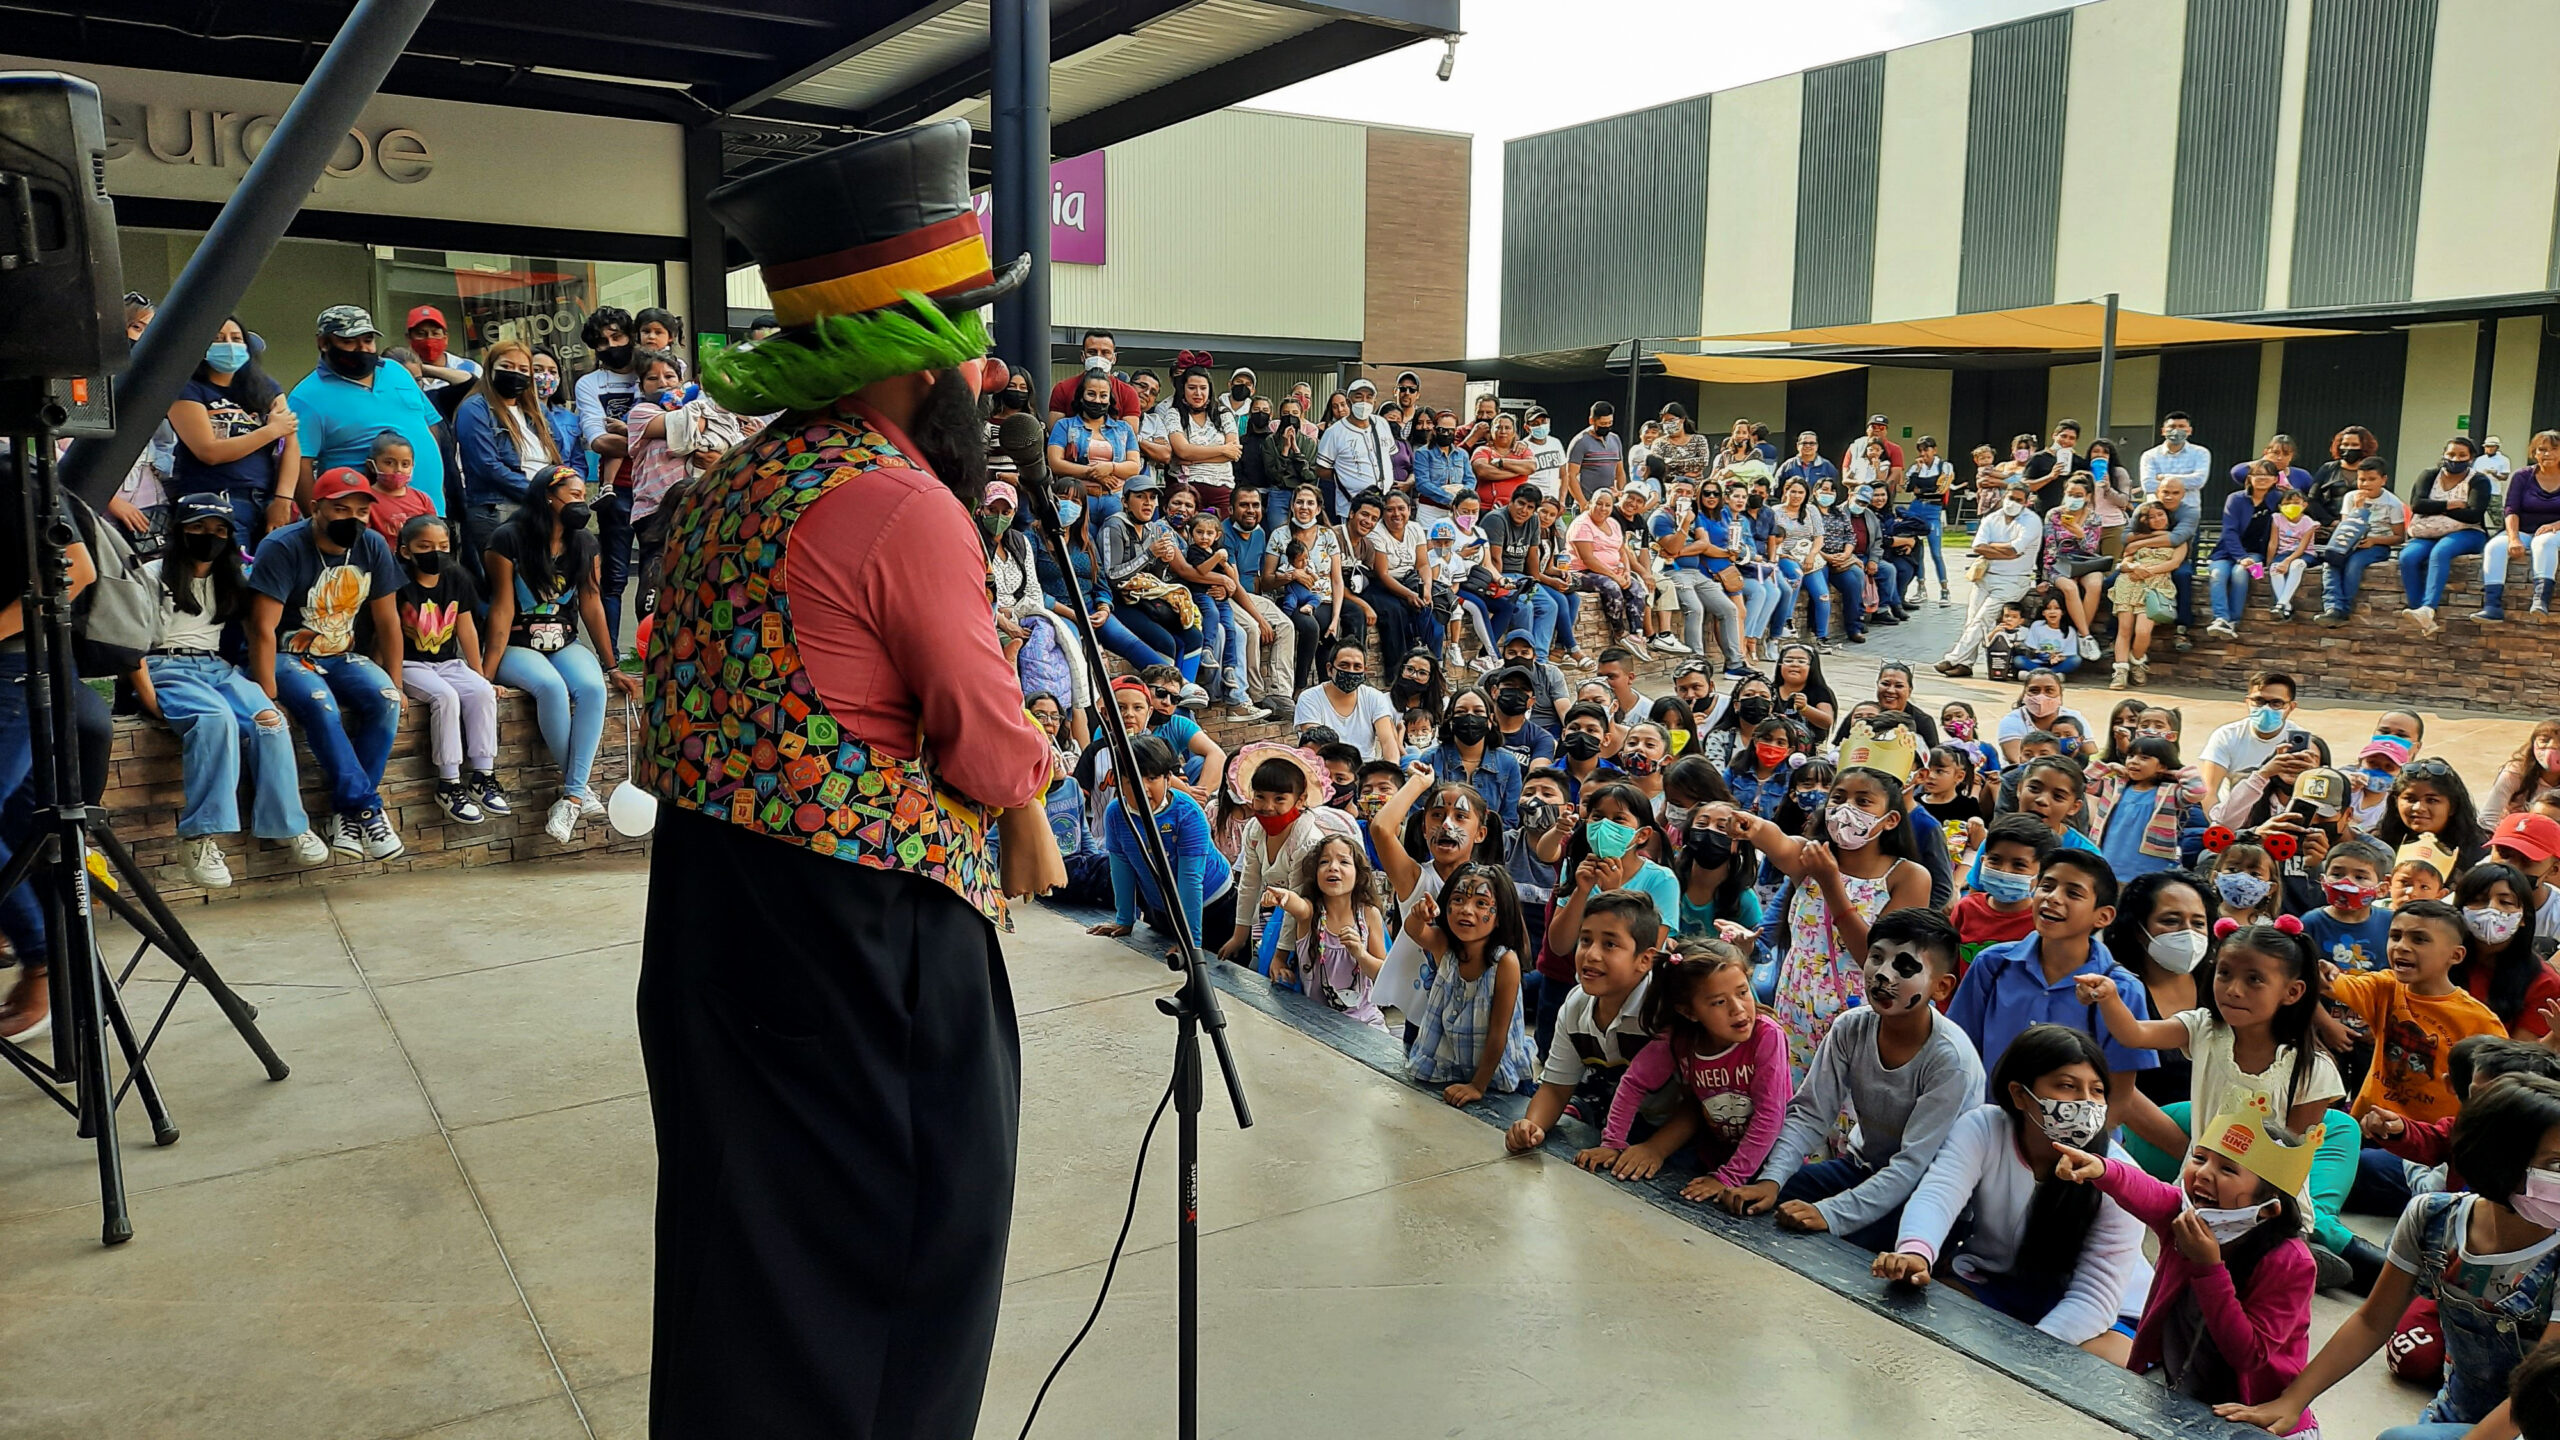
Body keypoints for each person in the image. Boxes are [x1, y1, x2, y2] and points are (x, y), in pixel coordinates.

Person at [633, 121, 1054, 1438]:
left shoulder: (729, 485)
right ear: (921, 353)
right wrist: (1030, 800)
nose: (989, 367)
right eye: (973, 335)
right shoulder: (902, 504)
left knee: (749, 1264)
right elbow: (983, 745)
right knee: (908, 1254)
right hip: (862, 941)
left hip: (707, 915)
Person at [2219, 1073, 2560, 1438]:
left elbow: (2539, 1392)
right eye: (2556, 1165)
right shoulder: (2433, 1218)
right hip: (2457, 1411)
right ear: (2500, 1159)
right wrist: (2292, 1400)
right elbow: (2371, 1322)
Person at [1876, 1023, 2149, 1360]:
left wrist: (2026, 1356)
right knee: (1920, 1315)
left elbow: (2094, 1298)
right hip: (1997, 1281)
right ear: (2020, 1094)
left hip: (2101, 1311)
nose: (2086, 1103)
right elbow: (1938, 1195)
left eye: (2096, 1091)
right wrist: (1915, 1253)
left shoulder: (2121, 1178)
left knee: (2089, 1370)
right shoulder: (1983, 1128)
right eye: (2067, 1086)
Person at [1722, 908, 1983, 1247]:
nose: (1882, 975)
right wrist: (1771, 1180)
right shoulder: (1851, 1027)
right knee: (1757, 1196)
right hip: (1862, 1169)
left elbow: (1912, 1165)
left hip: (1928, 1199)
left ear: (1942, 987)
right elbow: (1810, 1113)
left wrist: (1830, 1214)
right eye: (1877, 958)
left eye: (1905, 967)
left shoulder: (1950, 1060)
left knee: (1823, 1243)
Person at [2054, 1106, 2321, 1428]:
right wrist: (2102, 1169)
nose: (2204, 1173)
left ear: (2269, 1207)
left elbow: (2249, 1354)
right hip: (2176, 1389)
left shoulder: (2291, 1262)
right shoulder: (2183, 1215)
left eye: (2228, 1169)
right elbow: (2147, 1190)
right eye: (2199, 1158)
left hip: (2250, 1417)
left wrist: (2209, 1268)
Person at [131, 492, 330, 887]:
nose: (210, 536)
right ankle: (199, 836)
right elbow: (129, 643)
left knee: (269, 720)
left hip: (215, 666)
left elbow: (257, 628)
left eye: (219, 530)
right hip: (165, 665)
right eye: (199, 527)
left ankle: (287, 823)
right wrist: (148, 697)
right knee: (215, 719)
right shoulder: (150, 575)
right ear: (179, 530)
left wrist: (265, 687)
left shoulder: (231, 577)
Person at [246, 466, 407, 862]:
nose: (353, 519)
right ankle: (366, 809)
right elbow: (261, 628)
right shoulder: (283, 546)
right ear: (315, 508)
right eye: (341, 509)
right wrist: (267, 692)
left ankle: (346, 815)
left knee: (386, 700)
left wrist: (398, 682)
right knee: (321, 704)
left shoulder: (372, 545)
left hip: (342, 653)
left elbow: (388, 621)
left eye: (361, 511)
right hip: (286, 654)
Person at [481, 463, 632, 844]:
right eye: (574, 495)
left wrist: (612, 665)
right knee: (550, 687)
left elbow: (592, 602)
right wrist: (486, 674)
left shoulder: (585, 542)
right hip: (517, 642)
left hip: (563, 640)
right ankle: (579, 789)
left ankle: (573, 796)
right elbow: (501, 608)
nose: (581, 502)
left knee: (593, 688)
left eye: (583, 494)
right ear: (548, 497)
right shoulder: (507, 540)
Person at [1593, 940, 1791, 1199]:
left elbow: (1770, 1115)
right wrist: (1612, 1143)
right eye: (1719, 1002)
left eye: (1743, 992)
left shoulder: (1767, 1036)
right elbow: (1634, 1082)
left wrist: (1730, 1177)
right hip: (1713, 1158)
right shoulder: (1680, 1039)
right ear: (1689, 1012)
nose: (1738, 1008)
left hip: (1772, 1167)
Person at [288, 306, 447, 524]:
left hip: (430, 510)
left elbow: (429, 424)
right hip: (369, 522)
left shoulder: (396, 371)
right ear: (323, 343)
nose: (362, 348)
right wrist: (319, 522)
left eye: (368, 340)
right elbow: (299, 466)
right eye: (349, 341)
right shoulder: (306, 397)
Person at [1403, 861, 1539, 1104]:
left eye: (1482, 903)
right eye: (1458, 899)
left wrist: (1477, 1085)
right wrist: (1418, 914)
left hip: (1492, 1075)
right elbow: (1414, 930)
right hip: (1448, 1066)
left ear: (1500, 916)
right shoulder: (1444, 945)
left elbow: (1499, 1032)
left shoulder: (1505, 962)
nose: (1466, 910)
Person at [169, 314, 300, 541]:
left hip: (265, 498)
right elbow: (209, 451)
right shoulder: (187, 389)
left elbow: (291, 444)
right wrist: (270, 431)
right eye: (218, 339)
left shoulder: (264, 386)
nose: (229, 345)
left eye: (236, 338)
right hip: (215, 499)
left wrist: (283, 499)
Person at [1937, 478, 2042, 678]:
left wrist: (1992, 547)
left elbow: (2015, 549)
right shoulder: (1992, 518)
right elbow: (1978, 546)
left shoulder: (2031, 521)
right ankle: (1965, 664)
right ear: (2004, 496)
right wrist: (2006, 552)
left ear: (2026, 502)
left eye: (2018, 500)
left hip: (2013, 580)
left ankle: (1953, 658)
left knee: (1982, 619)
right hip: (1985, 577)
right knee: (1972, 620)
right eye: (2010, 498)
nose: (2013, 503)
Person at [2401, 438, 2495, 634]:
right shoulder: (2429, 475)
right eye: (2451, 454)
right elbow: (2417, 504)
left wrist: (2434, 508)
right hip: (2428, 532)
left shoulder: (2479, 481)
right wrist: (2449, 505)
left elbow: (2473, 515)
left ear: (2471, 458)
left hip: (2468, 532)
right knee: (2408, 557)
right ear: (2444, 454)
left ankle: (2428, 607)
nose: (2455, 459)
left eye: (2462, 455)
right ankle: (2420, 614)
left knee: (2441, 552)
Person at [2477, 429, 2560, 620]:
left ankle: (2541, 600)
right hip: (2524, 529)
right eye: (2542, 449)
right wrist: (2513, 538)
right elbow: (2511, 509)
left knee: (2543, 542)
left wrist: (2555, 525)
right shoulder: (2522, 476)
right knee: (2495, 546)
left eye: (2554, 449)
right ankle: (2492, 606)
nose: (2547, 454)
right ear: (2534, 453)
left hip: (2556, 531)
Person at [2108, 499, 2187, 688]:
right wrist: (2133, 567)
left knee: (2143, 631)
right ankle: (2120, 671)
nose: (2158, 519)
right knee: (2124, 629)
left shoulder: (2178, 540)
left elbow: (2174, 563)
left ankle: (2137, 661)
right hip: (2129, 583)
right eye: (2152, 517)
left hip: (2156, 584)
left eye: (2161, 514)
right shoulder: (2136, 539)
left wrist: (2148, 571)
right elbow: (2124, 562)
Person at [1293, 638, 1400, 763]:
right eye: (1344, 665)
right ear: (1329, 669)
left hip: (1365, 768)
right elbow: (1316, 746)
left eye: (1357, 666)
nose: (1351, 671)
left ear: (1364, 671)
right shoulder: (1309, 698)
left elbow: (1388, 742)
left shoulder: (1374, 697)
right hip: (1326, 767)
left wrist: (1392, 769)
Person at [1316, 377, 1397, 521]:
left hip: (1383, 506)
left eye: (1369, 397)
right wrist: (1345, 477)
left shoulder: (1382, 424)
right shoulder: (1334, 432)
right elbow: (1322, 470)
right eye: (1358, 397)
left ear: (1374, 402)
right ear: (1349, 402)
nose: (1364, 402)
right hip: (1351, 507)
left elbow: (1389, 456)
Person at [2139, 410, 2214, 499]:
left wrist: (2164, 477)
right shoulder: (2150, 455)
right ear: (2163, 431)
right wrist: (2185, 481)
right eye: (2172, 427)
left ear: (2189, 431)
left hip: (2188, 505)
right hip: (2157, 506)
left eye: (2181, 426)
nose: (2177, 430)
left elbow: (2198, 481)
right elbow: (2148, 485)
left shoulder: (2200, 453)